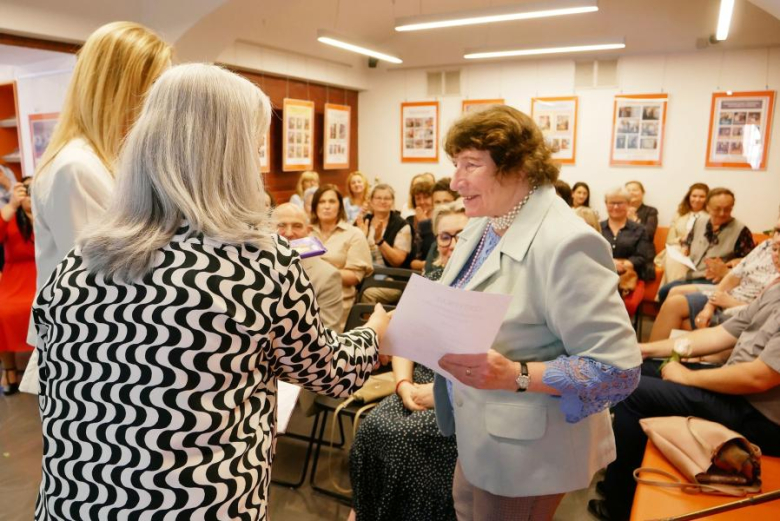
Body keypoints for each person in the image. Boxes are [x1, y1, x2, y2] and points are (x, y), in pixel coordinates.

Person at [32, 63, 390, 521]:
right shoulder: (258, 265)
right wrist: (374, 332)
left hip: (77, 504)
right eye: (254, 149)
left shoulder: (78, 261)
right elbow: (331, 373)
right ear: (231, 159)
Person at [433, 106, 641, 521]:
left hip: (528, 447)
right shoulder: (484, 222)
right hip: (480, 425)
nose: (455, 181)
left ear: (519, 167)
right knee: (466, 510)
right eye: (456, 164)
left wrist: (516, 374)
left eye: (471, 165)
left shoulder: (567, 243)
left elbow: (618, 369)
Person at [21, 21, 171, 394]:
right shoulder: (77, 168)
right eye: (156, 87)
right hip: (92, 361)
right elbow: (104, 284)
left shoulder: (106, 162)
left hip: (107, 353)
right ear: (124, 89)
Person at [594, 227, 780, 520]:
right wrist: (644, 349)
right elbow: (721, 334)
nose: (774, 247)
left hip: (760, 418)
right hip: (737, 388)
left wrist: (687, 377)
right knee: (635, 368)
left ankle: (618, 505)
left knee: (634, 391)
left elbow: (760, 377)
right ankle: (621, 473)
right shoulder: (776, 288)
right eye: (776, 238)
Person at [349, 201, 467, 521]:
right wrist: (403, 384)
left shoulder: (486, 290)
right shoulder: (431, 282)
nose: (452, 244)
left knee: (404, 439)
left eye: (462, 235)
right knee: (372, 429)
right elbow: (402, 339)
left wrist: (439, 392)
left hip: (459, 393)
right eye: (444, 237)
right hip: (415, 384)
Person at [649, 220, 780, 342]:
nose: (777, 240)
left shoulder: (739, 230)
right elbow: (733, 276)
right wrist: (709, 307)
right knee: (673, 303)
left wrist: (732, 303)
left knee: (684, 323)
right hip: (726, 295)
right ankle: (649, 356)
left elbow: (766, 311)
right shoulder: (766, 246)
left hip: (742, 311)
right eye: (777, 231)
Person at [657, 187, 755, 303]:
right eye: (717, 209)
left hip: (716, 280)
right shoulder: (699, 221)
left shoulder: (741, 231)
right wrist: (685, 247)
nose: (722, 213)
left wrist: (737, 261)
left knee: (674, 294)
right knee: (664, 291)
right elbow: (688, 240)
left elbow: (751, 261)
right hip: (693, 274)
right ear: (707, 207)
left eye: (727, 209)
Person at [273, 203, 344, 332]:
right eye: (281, 225)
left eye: (297, 226)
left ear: (308, 231)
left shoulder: (326, 276)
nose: (288, 233)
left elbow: (328, 334)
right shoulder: (253, 267)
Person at [310, 184, 373, 327]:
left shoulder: (354, 234)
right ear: (315, 207)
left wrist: (321, 272)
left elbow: (354, 276)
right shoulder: (306, 232)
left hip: (338, 302)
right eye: (322, 202)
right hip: (304, 298)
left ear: (340, 207)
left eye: (332, 201)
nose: (327, 206)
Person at [0, 178, 35, 394]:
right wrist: (12, 205)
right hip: (14, 279)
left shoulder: (48, 214)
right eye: (26, 189)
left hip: (42, 274)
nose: (30, 193)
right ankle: (9, 368)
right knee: (2, 311)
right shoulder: (10, 217)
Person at [601, 186, 656, 317]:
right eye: (612, 203)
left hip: (628, 276)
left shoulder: (639, 230)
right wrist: (611, 264)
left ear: (628, 204)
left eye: (620, 203)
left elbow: (641, 257)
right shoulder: (598, 227)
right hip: (601, 272)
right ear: (606, 204)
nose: (615, 207)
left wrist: (621, 265)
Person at [357, 184, 412, 305]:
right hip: (363, 275)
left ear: (392, 202)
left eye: (387, 198)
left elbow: (397, 261)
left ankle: (371, 319)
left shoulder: (402, 225)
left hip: (391, 279)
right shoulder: (363, 221)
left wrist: (380, 241)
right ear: (371, 201)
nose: (382, 201)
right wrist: (361, 237)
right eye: (378, 198)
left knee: (368, 293)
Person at [656, 183, 709, 286]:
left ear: (707, 199)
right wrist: (680, 240)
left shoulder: (711, 216)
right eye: (694, 196)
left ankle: (671, 291)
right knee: (673, 258)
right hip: (677, 248)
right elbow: (669, 241)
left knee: (677, 262)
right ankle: (677, 290)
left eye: (701, 196)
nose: (697, 199)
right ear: (689, 197)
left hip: (699, 252)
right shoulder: (679, 214)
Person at [410, 177, 459, 271]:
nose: (442, 206)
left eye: (446, 202)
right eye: (437, 202)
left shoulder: (463, 228)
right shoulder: (426, 227)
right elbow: (418, 264)